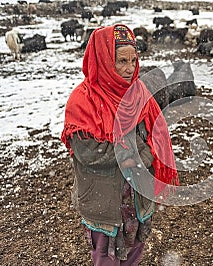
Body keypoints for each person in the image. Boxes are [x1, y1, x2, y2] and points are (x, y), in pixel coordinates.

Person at [61, 24, 179, 265]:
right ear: (103, 59)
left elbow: (150, 143)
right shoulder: (83, 101)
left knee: (135, 250)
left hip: (137, 196)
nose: (129, 69)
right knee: (105, 256)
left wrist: (133, 153)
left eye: (133, 60)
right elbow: (88, 153)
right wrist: (128, 151)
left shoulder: (139, 95)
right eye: (121, 61)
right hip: (104, 202)